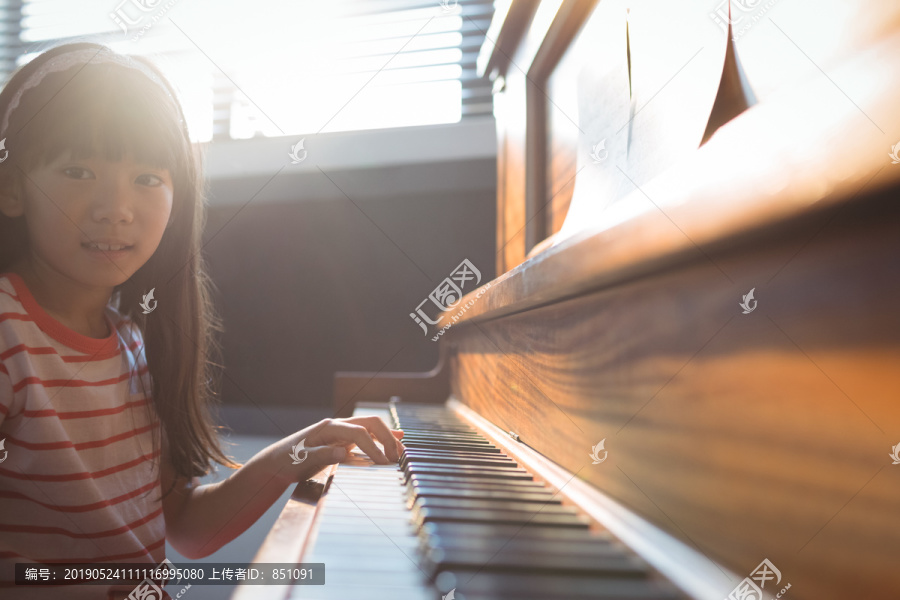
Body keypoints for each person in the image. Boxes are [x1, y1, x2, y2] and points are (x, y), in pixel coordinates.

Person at [0, 42, 405, 599]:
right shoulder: (9, 334)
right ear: (11, 186)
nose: (116, 206)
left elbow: (186, 527)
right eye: (78, 170)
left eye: (147, 178)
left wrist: (296, 455)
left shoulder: (131, 343)